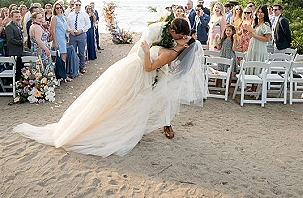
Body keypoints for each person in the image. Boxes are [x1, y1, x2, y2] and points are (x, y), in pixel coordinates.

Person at [13, 17, 205, 157]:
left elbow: (148, 67)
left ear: (186, 45)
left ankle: (119, 127)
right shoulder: (171, 43)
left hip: (139, 71)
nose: (183, 38)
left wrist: (147, 52)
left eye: (186, 38)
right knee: (110, 97)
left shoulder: (171, 52)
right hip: (132, 68)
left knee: (119, 99)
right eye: (183, 35)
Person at [67, 0, 91, 74]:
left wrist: (81, 30)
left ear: (81, 6)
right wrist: (70, 31)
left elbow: (88, 25)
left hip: (81, 35)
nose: (77, 6)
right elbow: (67, 25)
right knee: (72, 52)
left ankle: (82, 66)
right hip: (72, 35)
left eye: (79, 5)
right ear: (74, 5)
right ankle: (73, 67)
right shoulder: (70, 15)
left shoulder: (84, 14)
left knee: (81, 52)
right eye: (76, 5)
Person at [50, 1, 69, 78]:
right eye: (57, 8)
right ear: (54, 9)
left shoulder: (63, 17)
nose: (59, 9)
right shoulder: (54, 18)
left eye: (60, 7)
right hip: (58, 39)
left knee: (64, 56)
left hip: (63, 38)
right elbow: (53, 31)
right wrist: (55, 42)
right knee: (60, 57)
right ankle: (62, 75)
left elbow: (65, 28)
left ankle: (63, 74)